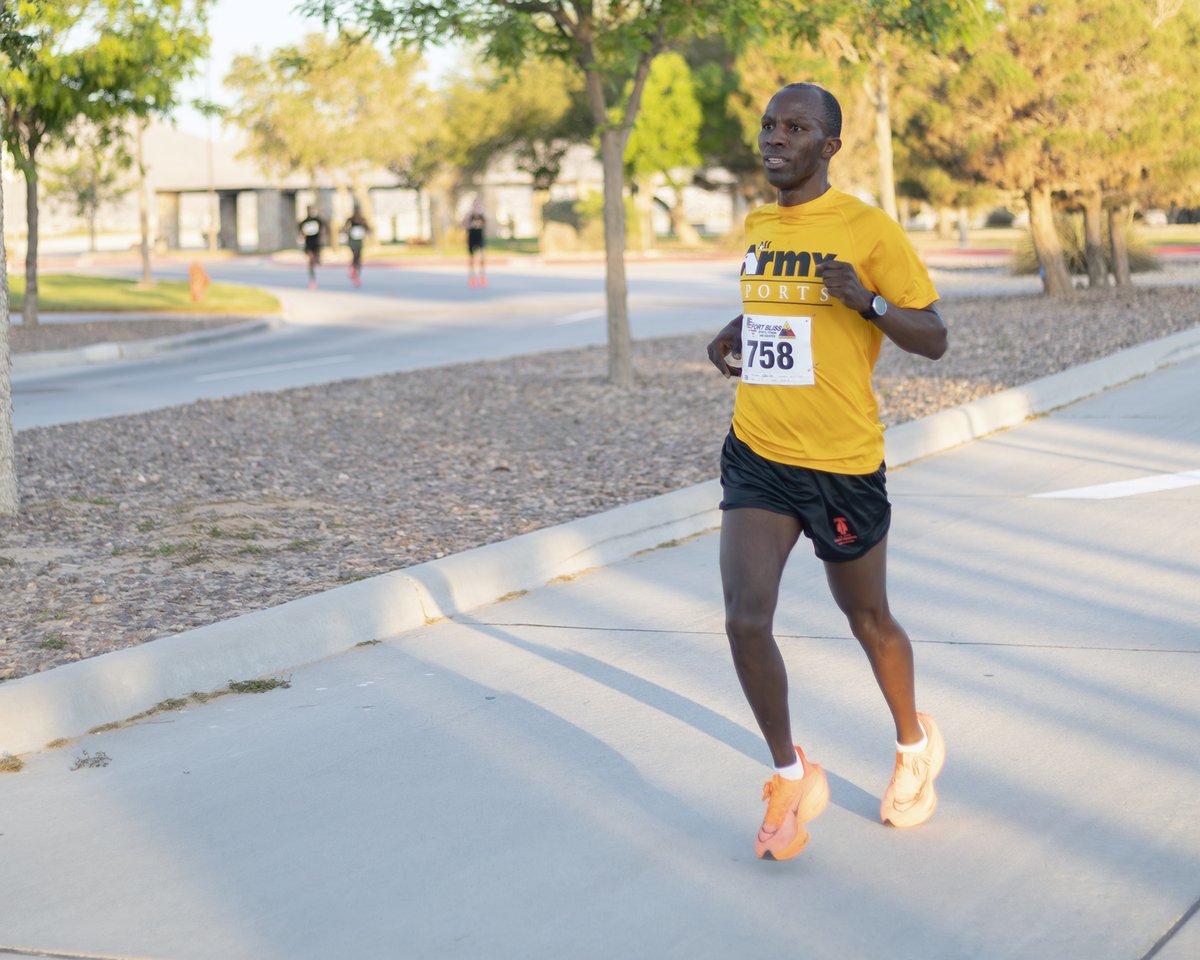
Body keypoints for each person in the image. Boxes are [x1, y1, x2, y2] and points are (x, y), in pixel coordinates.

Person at [705, 82, 949, 862]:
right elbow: (785, 306)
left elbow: (935, 336)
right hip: (759, 452)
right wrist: (738, 330)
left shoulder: (867, 229)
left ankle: (914, 746)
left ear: (830, 145)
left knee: (868, 619)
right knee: (746, 617)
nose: (776, 137)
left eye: (797, 127)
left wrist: (870, 304)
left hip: (842, 464)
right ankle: (789, 773)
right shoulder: (760, 222)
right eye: (771, 125)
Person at [298, 205, 326, 289]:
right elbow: (301, 233)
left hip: (316, 243)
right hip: (309, 243)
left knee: (316, 259)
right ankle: (313, 280)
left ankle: (317, 259)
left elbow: (323, 228)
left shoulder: (317, 220)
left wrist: (322, 237)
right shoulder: (303, 222)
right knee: (310, 260)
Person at [343, 207, 370, 287]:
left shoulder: (362, 220)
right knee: (355, 256)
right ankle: (353, 272)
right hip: (352, 241)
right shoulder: (350, 220)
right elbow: (344, 228)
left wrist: (366, 232)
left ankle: (356, 273)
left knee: (359, 258)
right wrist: (347, 231)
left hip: (359, 241)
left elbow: (367, 228)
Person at [464, 200, 487, 287]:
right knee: (471, 257)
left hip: (479, 236)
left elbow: (485, 224)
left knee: (482, 256)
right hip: (472, 237)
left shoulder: (482, 216)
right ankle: (472, 277)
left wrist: (479, 224)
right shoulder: (470, 215)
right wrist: (471, 224)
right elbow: (465, 224)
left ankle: (482, 275)